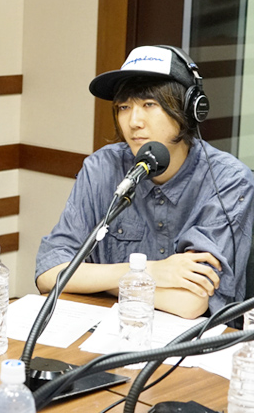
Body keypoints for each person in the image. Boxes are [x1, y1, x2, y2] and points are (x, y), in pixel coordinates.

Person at [35, 45, 254, 319]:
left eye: (149, 105)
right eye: (124, 107)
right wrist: (149, 271)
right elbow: (49, 273)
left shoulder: (229, 180)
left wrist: (96, 282)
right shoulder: (102, 167)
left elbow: (189, 303)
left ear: (188, 109)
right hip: (110, 330)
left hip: (190, 342)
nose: (134, 121)